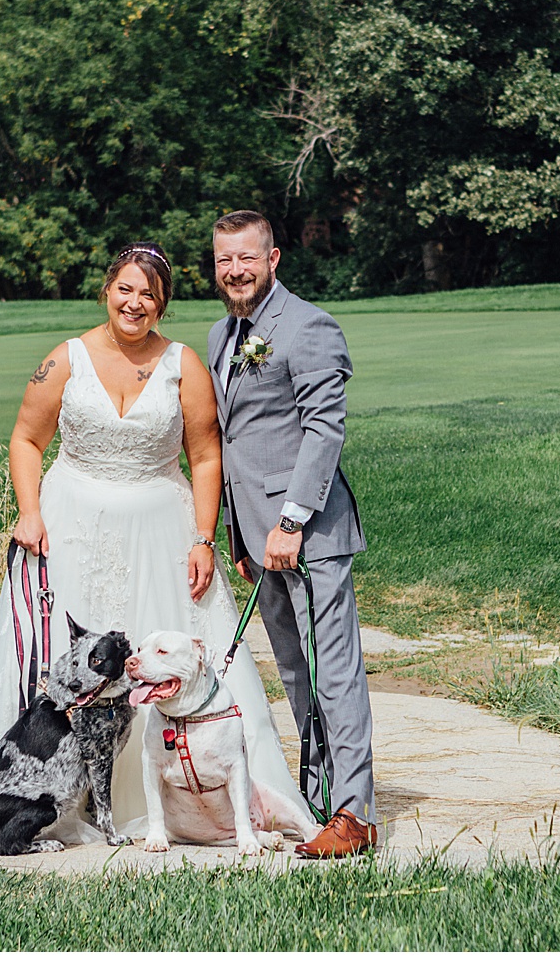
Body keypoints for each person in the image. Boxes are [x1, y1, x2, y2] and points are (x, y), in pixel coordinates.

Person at [0, 241, 309, 844]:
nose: (135, 302)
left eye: (149, 294)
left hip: (162, 530)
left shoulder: (182, 365)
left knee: (177, 650)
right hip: (72, 525)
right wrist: (29, 512)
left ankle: (209, 798)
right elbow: (24, 440)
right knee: (68, 665)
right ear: (107, 290)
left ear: (162, 304)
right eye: (126, 288)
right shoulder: (65, 358)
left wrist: (204, 538)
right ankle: (53, 798)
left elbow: (204, 457)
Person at [206, 210, 377, 859]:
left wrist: (291, 520)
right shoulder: (224, 334)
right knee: (296, 674)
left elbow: (323, 431)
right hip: (261, 542)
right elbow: (235, 440)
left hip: (311, 535)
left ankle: (355, 815)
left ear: (273, 259)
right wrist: (242, 538)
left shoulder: (307, 327)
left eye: (247, 258)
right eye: (224, 260)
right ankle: (316, 796)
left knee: (335, 673)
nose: (235, 270)